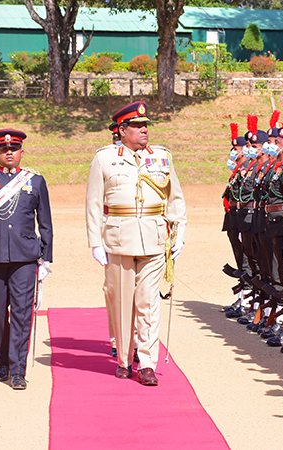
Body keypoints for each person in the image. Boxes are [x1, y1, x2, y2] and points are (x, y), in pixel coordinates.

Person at [86, 101, 187, 386]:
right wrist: (95, 242)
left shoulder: (162, 156)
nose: (144, 130)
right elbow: (94, 203)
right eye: (137, 126)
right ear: (121, 130)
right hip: (118, 239)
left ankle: (147, 363)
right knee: (121, 302)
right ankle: (123, 359)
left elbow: (175, 198)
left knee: (148, 302)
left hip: (155, 239)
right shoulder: (104, 158)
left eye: (146, 126)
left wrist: (179, 234)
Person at [0, 129, 53, 390]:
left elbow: (45, 222)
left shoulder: (35, 181)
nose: (9, 153)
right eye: (4, 150)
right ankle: (1, 361)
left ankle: (18, 369)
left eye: (14, 149)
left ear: (21, 152)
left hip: (25, 258)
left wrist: (46, 259)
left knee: (22, 313)